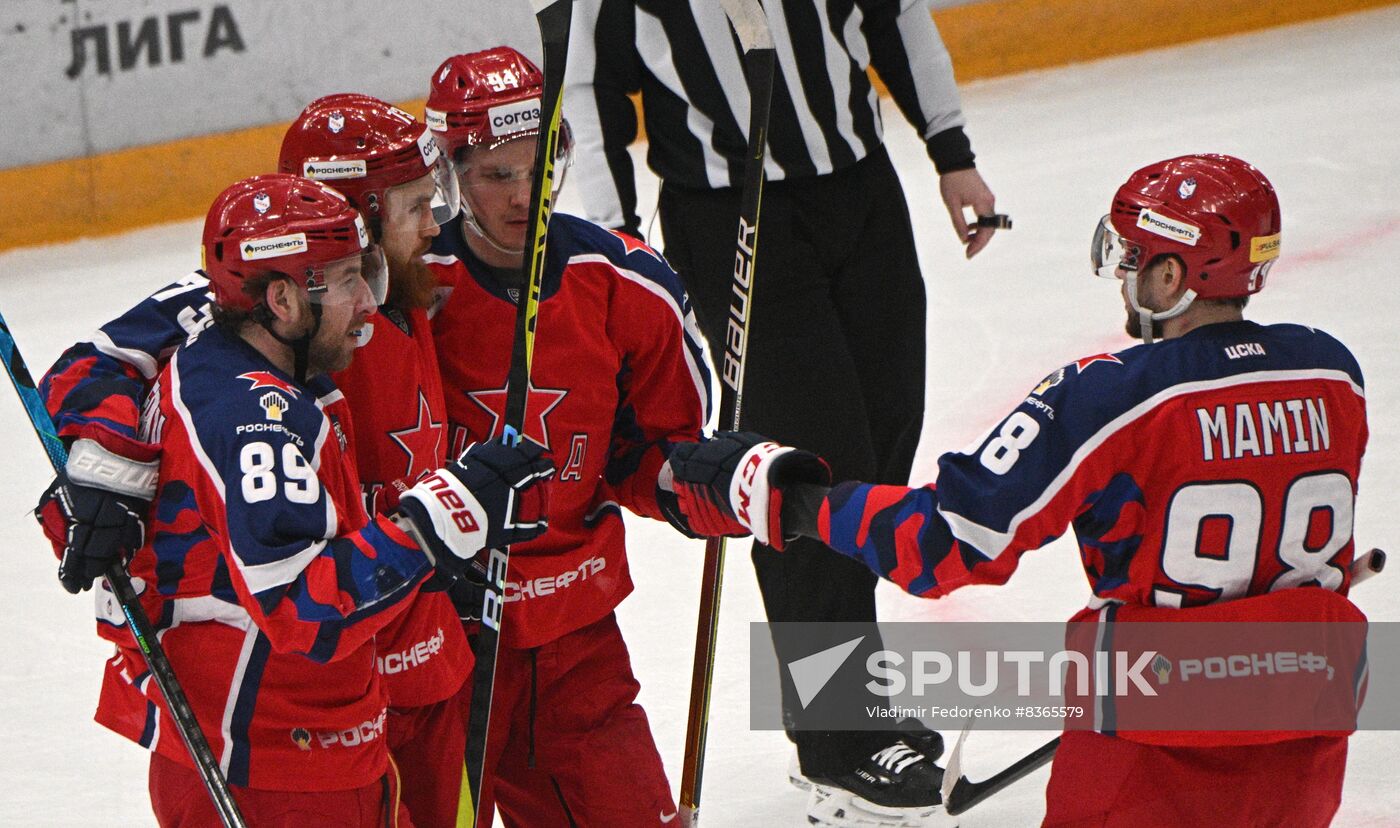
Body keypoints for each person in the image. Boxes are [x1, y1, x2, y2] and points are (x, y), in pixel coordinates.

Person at [668, 154, 1368, 827]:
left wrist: (788, 499)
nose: (1122, 270)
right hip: (1305, 757)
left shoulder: (1109, 396)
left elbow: (940, 545)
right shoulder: (1335, 374)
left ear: (1170, 276)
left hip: (1151, 765)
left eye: (1134, 257)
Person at [564, 1, 1000, 818]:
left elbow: (893, 19)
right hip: (732, 217)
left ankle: (853, 701)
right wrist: (617, 248)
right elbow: (590, 94)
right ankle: (838, 738)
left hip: (862, 193)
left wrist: (951, 150)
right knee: (808, 474)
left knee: (878, 453)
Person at [36, 96, 488, 826]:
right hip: (288, 690)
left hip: (394, 647)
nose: (435, 227)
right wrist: (112, 475)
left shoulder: (403, 292)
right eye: (414, 207)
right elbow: (93, 366)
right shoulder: (244, 319)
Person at [422, 46, 716, 826]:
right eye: (495, 175)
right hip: (438, 646)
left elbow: (650, 454)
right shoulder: (400, 290)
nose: (524, 197)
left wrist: (696, 486)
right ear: (450, 174)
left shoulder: (628, 285)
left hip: (576, 638)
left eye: (537, 166)